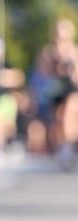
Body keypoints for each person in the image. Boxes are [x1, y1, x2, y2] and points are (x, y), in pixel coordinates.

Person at [34, 18, 78, 170]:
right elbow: (42, 74)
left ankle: (69, 147)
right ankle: (62, 147)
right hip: (55, 89)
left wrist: (70, 64)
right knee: (57, 120)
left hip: (71, 89)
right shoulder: (48, 52)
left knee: (69, 116)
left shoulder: (74, 52)